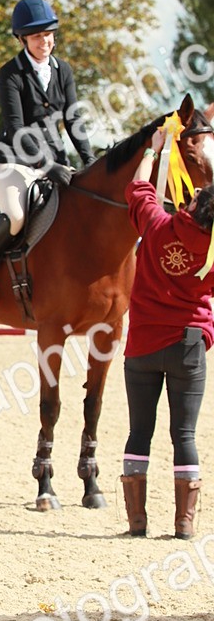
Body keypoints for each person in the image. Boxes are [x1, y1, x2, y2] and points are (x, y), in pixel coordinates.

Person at [0, 0, 95, 313]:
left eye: (48, 34)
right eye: (36, 37)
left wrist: (89, 162)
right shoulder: (11, 74)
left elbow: (73, 120)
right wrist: (48, 166)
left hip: (55, 161)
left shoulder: (63, 70)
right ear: (22, 40)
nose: (45, 42)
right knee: (17, 217)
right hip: (13, 162)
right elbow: (17, 127)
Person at [120, 129, 214, 539]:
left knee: (139, 431)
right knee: (185, 434)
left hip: (142, 345)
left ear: (192, 204)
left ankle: (137, 522)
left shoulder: (157, 225)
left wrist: (152, 151)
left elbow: (138, 189)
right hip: (189, 343)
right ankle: (184, 522)